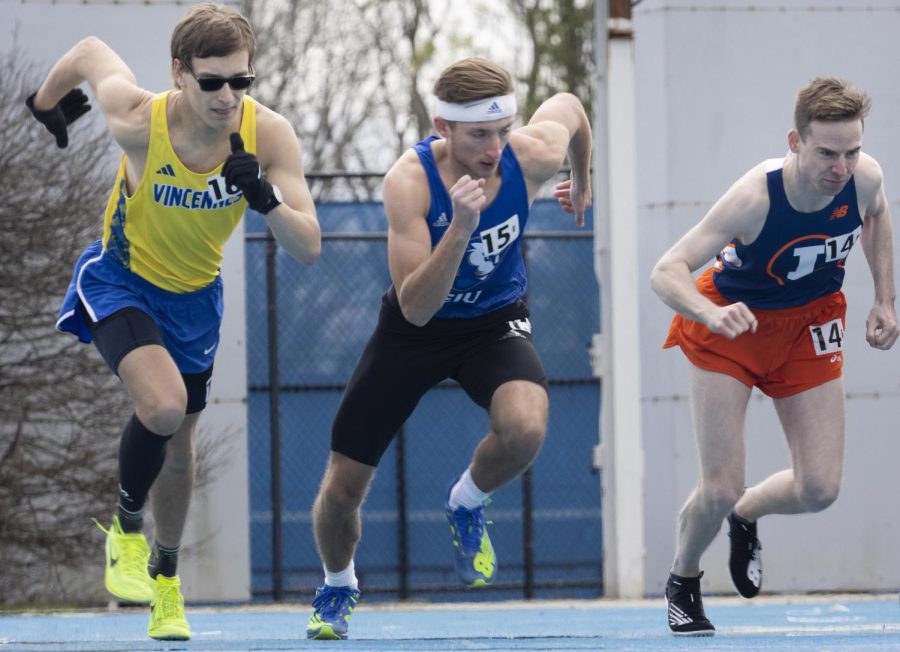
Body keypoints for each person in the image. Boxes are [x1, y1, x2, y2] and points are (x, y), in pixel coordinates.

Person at [26, 3, 320, 641]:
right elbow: (89, 49)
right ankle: (126, 533)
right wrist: (46, 102)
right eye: (212, 81)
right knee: (162, 409)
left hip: (195, 303)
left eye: (240, 82)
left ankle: (165, 580)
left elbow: (309, 247)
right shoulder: (138, 120)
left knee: (180, 451)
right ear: (179, 73)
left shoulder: (267, 136)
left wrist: (265, 198)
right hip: (122, 281)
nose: (227, 97)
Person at [304, 57, 592, 640]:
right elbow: (415, 307)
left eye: (502, 131)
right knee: (340, 492)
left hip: (493, 321)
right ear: (443, 128)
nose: (493, 148)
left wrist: (583, 179)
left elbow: (573, 109)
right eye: (478, 135)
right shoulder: (408, 183)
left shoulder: (528, 154)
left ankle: (466, 501)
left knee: (527, 428)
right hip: (416, 330)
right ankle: (338, 585)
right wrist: (459, 228)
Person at [650, 77, 897, 636]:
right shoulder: (755, 197)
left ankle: (748, 514)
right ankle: (684, 579)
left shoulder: (865, 179)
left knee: (819, 489)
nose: (842, 167)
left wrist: (884, 296)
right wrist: (711, 316)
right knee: (718, 486)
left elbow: (878, 214)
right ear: (795, 140)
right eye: (828, 153)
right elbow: (664, 270)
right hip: (732, 321)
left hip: (809, 320)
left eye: (852, 151)